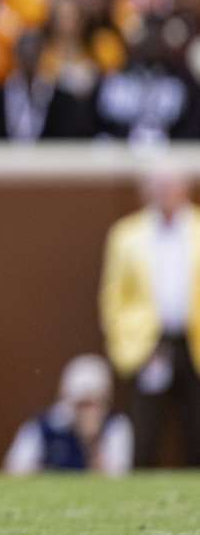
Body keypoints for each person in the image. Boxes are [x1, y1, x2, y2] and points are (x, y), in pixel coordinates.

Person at [100, 163, 200, 466]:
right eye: (159, 186)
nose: (165, 193)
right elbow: (113, 296)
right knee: (145, 427)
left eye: (171, 186)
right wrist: (124, 342)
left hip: (194, 341)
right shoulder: (126, 234)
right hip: (149, 344)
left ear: (185, 189)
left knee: (195, 424)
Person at [4, 354, 133, 476]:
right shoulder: (42, 426)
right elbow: (15, 469)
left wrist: (91, 442)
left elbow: (116, 475)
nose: (88, 412)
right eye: (82, 404)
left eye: (93, 404)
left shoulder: (115, 425)